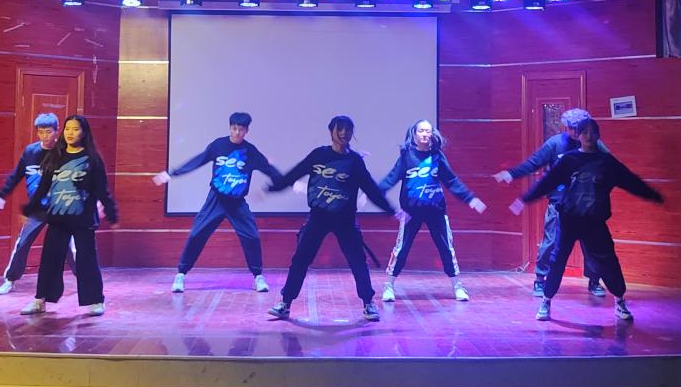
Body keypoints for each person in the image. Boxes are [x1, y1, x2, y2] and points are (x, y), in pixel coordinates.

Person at [513, 118, 662, 322]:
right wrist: (525, 199)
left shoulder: (607, 162)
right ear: (578, 135)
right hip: (569, 220)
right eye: (585, 132)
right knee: (557, 261)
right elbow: (548, 182)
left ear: (598, 135)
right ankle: (546, 301)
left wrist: (653, 195)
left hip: (594, 221)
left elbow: (631, 181)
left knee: (608, 261)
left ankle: (619, 302)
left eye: (593, 132)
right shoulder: (568, 160)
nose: (589, 136)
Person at [266, 115, 407, 322]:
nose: (343, 133)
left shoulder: (355, 161)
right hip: (318, 217)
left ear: (352, 133)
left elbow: (371, 188)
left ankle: (368, 303)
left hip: (345, 220)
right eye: (339, 129)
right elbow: (294, 173)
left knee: (357, 261)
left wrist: (390, 209)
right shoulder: (319, 155)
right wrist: (274, 187)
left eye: (348, 129)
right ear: (331, 131)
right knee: (301, 259)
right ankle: (285, 303)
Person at [153, 112, 282, 294]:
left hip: (237, 203)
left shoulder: (250, 151)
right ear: (230, 128)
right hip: (216, 200)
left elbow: (269, 169)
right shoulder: (218, 145)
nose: (237, 132)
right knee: (196, 234)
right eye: (234, 128)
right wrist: (172, 173)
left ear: (246, 131)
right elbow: (198, 160)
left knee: (252, 236)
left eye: (241, 129)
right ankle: (181, 274)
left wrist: (289, 181)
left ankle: (258, 277)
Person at [494, 108, 609, 298]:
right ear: (566, 127)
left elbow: (610, 165)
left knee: (592, 244)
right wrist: (512, 173)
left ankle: (594, 280)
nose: (575, 132)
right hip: (559, 203)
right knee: (551, 242)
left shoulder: (593, 143)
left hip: (587, 205)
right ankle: (540, 279)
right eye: (571, 128)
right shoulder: (555, 143)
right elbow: (533, 163)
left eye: (579, 128)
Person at [19, 114, 118, 317]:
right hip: (58, 218)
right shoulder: (55, 156)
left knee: (87, 260)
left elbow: (102, 190)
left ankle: (95, 301)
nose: (70, 133)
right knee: (49, 260)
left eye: (75, 129)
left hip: (83, 219)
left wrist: (111, 213)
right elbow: (43, 188)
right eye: (67, 129)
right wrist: (29, 209)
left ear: (84, 132)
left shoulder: (92, 159)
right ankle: (40, 300)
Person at [380, 119, 486, 303]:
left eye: (428, 131)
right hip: (411, 212)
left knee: (446, 247)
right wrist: (375, 193)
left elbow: (451, 181)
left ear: (432, 134)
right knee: (401, 248)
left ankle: (457, 286)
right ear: (414, 134)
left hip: (436, 211)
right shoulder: (407, 157)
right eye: (421, 131)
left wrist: (470, 198)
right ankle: (389, 285)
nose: (425, 134)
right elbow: (391, 178)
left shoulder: (437, 156)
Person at [0, 112, 75, 294]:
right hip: (37, 209)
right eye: (41, 132)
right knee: (22, 243)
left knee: (71, 248)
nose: (44, 136)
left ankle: (84, 280)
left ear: (56, 131)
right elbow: (16, 176)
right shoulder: (30, 152)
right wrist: (1, 196)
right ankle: (10, 280)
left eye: (48, 132)